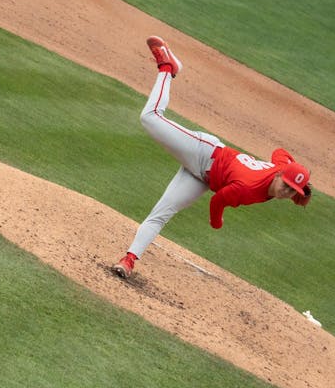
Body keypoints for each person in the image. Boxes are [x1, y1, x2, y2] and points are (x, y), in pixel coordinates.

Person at [112, 37, 312, 279]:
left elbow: (280, 154)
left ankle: (129, 260)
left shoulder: (281, 169)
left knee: (162, 212)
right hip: (204, 151)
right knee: (150, 117)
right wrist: (216, 222)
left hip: (202, 178)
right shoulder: (248, 188)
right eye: (286, 185)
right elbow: (217, 202)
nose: (286, 192)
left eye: (292, 191)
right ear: (280, 175)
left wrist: (291, 167)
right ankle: (168, 68)